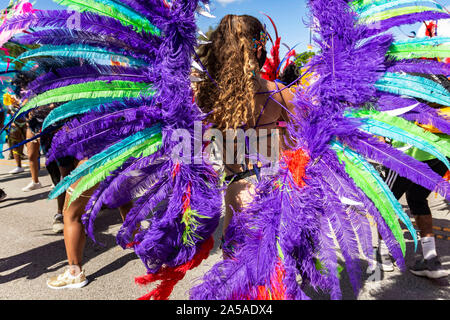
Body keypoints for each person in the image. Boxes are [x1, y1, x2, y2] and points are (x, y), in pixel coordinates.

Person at [195, 15, 296, 257]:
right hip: (273, 196)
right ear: (259, 48)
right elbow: (296, 146)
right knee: (272, 279)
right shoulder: (281, 94)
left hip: (235, 198)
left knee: (235, 277)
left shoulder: (210, 98)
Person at [4, 94, 26, 174]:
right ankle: (18, 166)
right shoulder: (7, 95)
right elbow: (7, 112)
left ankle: (35, 164)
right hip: (15, 124)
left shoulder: (28, 94)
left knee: (30, 145)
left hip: (27, 123)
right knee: (15, 144)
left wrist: (18, 104)